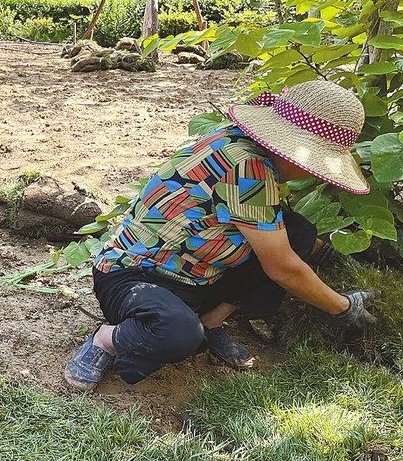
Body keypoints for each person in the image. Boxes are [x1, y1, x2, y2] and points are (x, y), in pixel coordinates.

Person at [64, 80, 380, 390]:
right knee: (178, 334)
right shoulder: (248, 168)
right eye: (315, 163)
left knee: (296, 231)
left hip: (195, 270)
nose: (313, 172)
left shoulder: (240, 141)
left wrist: (335, 256)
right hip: (137, 277)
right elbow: (281, 267)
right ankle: (106, 339)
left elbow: (274, 232)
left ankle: (211, 322)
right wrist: (342, 307)